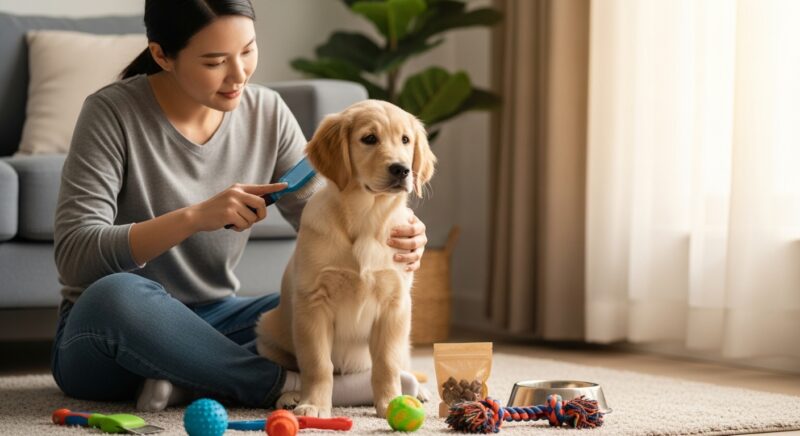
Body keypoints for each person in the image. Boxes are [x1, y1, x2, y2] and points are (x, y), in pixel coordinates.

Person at [51, 0, 428, 412]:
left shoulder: (266, 111)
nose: (239, 75)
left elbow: (327, 211)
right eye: (215, 62)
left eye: (247, 51)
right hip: (109, 331)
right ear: (162, 55)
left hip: (219, 321)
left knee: (303, 304)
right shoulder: (111, 113)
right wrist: (195, 217)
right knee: (116, 294)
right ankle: (284, 384)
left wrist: (401, 234)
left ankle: (190, 382)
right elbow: (75, 256)